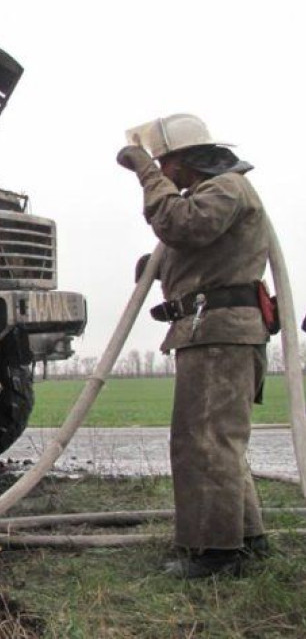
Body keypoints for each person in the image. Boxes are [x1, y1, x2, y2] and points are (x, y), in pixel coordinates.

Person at [117, 114, 271, 579]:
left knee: (204, 442)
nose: (162, 173)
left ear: (185, 160)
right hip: (214, 332)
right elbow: (196, 247)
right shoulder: (217, 193)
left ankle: (215, 552)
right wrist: (161, 266)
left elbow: (183, 226)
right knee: (215, 440)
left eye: (165, 163)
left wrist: (144, 171)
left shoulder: (225, 189)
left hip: (219, 335)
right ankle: (245, 537)